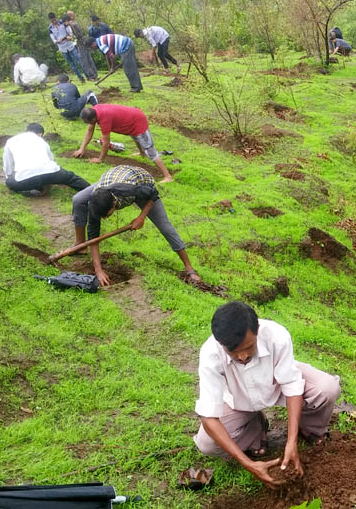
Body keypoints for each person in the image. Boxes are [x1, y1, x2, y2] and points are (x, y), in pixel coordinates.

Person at [193, 301, 341, 487]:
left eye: (249, 347)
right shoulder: (210, 354)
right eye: (233, 352)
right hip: (239, 400)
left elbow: (292, 384)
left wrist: (291, 441)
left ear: (257, 331)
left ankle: (309, 428)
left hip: (276, 385)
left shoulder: (276, 336)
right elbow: (209, 417)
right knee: (207, 444)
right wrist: (248, 464)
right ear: (221, 343)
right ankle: (256, 429)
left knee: (326, 389)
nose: (243, 357)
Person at [71, 165, 200, 286]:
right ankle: (80, 245)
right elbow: (94, 237)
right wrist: (98, 270)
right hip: (114, 178)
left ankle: (189, 268)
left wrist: (141, 217)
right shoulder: (95, 201)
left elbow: (153, 194)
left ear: (114, 203)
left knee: (165, 227)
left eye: (107, 215)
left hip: (142, 182)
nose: (104, 218)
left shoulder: (130, 190)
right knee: (78, 199)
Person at [73, 105, 173, 182]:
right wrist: (82, 149)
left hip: (138, 121)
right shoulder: (94, 111)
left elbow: (106, 143)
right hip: (130, 119)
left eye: (87, 122)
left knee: (150, 150)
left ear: (93, 119)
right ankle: (141, 153)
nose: (87, 124)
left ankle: (167, 176)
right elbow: (90, 131)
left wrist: (100, 159)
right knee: (135, 137)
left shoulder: (104, 119)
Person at [3, 123, 90, 195]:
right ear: (40, 134)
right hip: (51, 172)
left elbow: (8, 164)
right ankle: (92, 191)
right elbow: (51, 160)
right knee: (71, 178)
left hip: (26, 178)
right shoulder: (41, 140)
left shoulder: (11, 141)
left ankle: (39, 186)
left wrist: (9, 176)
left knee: (10, 182)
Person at [48, 13, 86, 83]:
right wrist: (58, 40)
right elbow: (54, 40)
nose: (54, 22)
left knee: (79, 61)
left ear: (56, 18)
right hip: (62, 49)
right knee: (72, 64)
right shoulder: (50, 29)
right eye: (52, 21)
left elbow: (70, 32)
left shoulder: (62, 23)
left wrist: (69, 37)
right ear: (50, 20)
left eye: (55, 20)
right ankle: (81, 78)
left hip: (70, 45)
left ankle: (87, 75)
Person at [67, 11, 98, 81]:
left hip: (81, 44)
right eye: (73, 15)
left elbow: (78, 35)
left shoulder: (73, 24)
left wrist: (71, 37)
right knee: (89, 60)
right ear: (71, 16)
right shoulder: (74, 24)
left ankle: (91, 76)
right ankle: (94, 75)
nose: (74, 16)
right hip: (84, 43)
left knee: (85, 61)